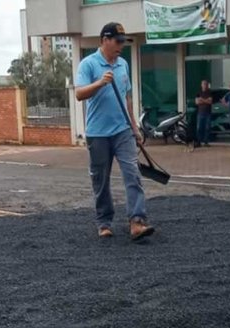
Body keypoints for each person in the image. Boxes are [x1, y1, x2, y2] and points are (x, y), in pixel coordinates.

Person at [75, 22, 154, 241]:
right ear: (105, 40)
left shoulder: (123, 65)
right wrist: (100, 82)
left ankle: (137, 221)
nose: (121, 46)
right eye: (118, 41)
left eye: (123, 42)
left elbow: (127, 97)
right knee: (100, 179)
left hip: (122, 131)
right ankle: (104, 222)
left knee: (132, 174)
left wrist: (134, 126)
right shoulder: (88, 64)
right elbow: (79, 94)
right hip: (97, 133)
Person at [195, 80, 213, 147]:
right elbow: (197, 102)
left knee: (207, 128)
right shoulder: (198, 93)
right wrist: (206, 100)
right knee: (199, 128)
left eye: (206, 84)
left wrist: (201, 99)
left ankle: (206, 142)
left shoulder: (210, 92)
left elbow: (210, 102)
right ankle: (198, 142)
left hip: (208, 113)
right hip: (200, 113)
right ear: (201, 85)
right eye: (204, 84)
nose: (205, 85)